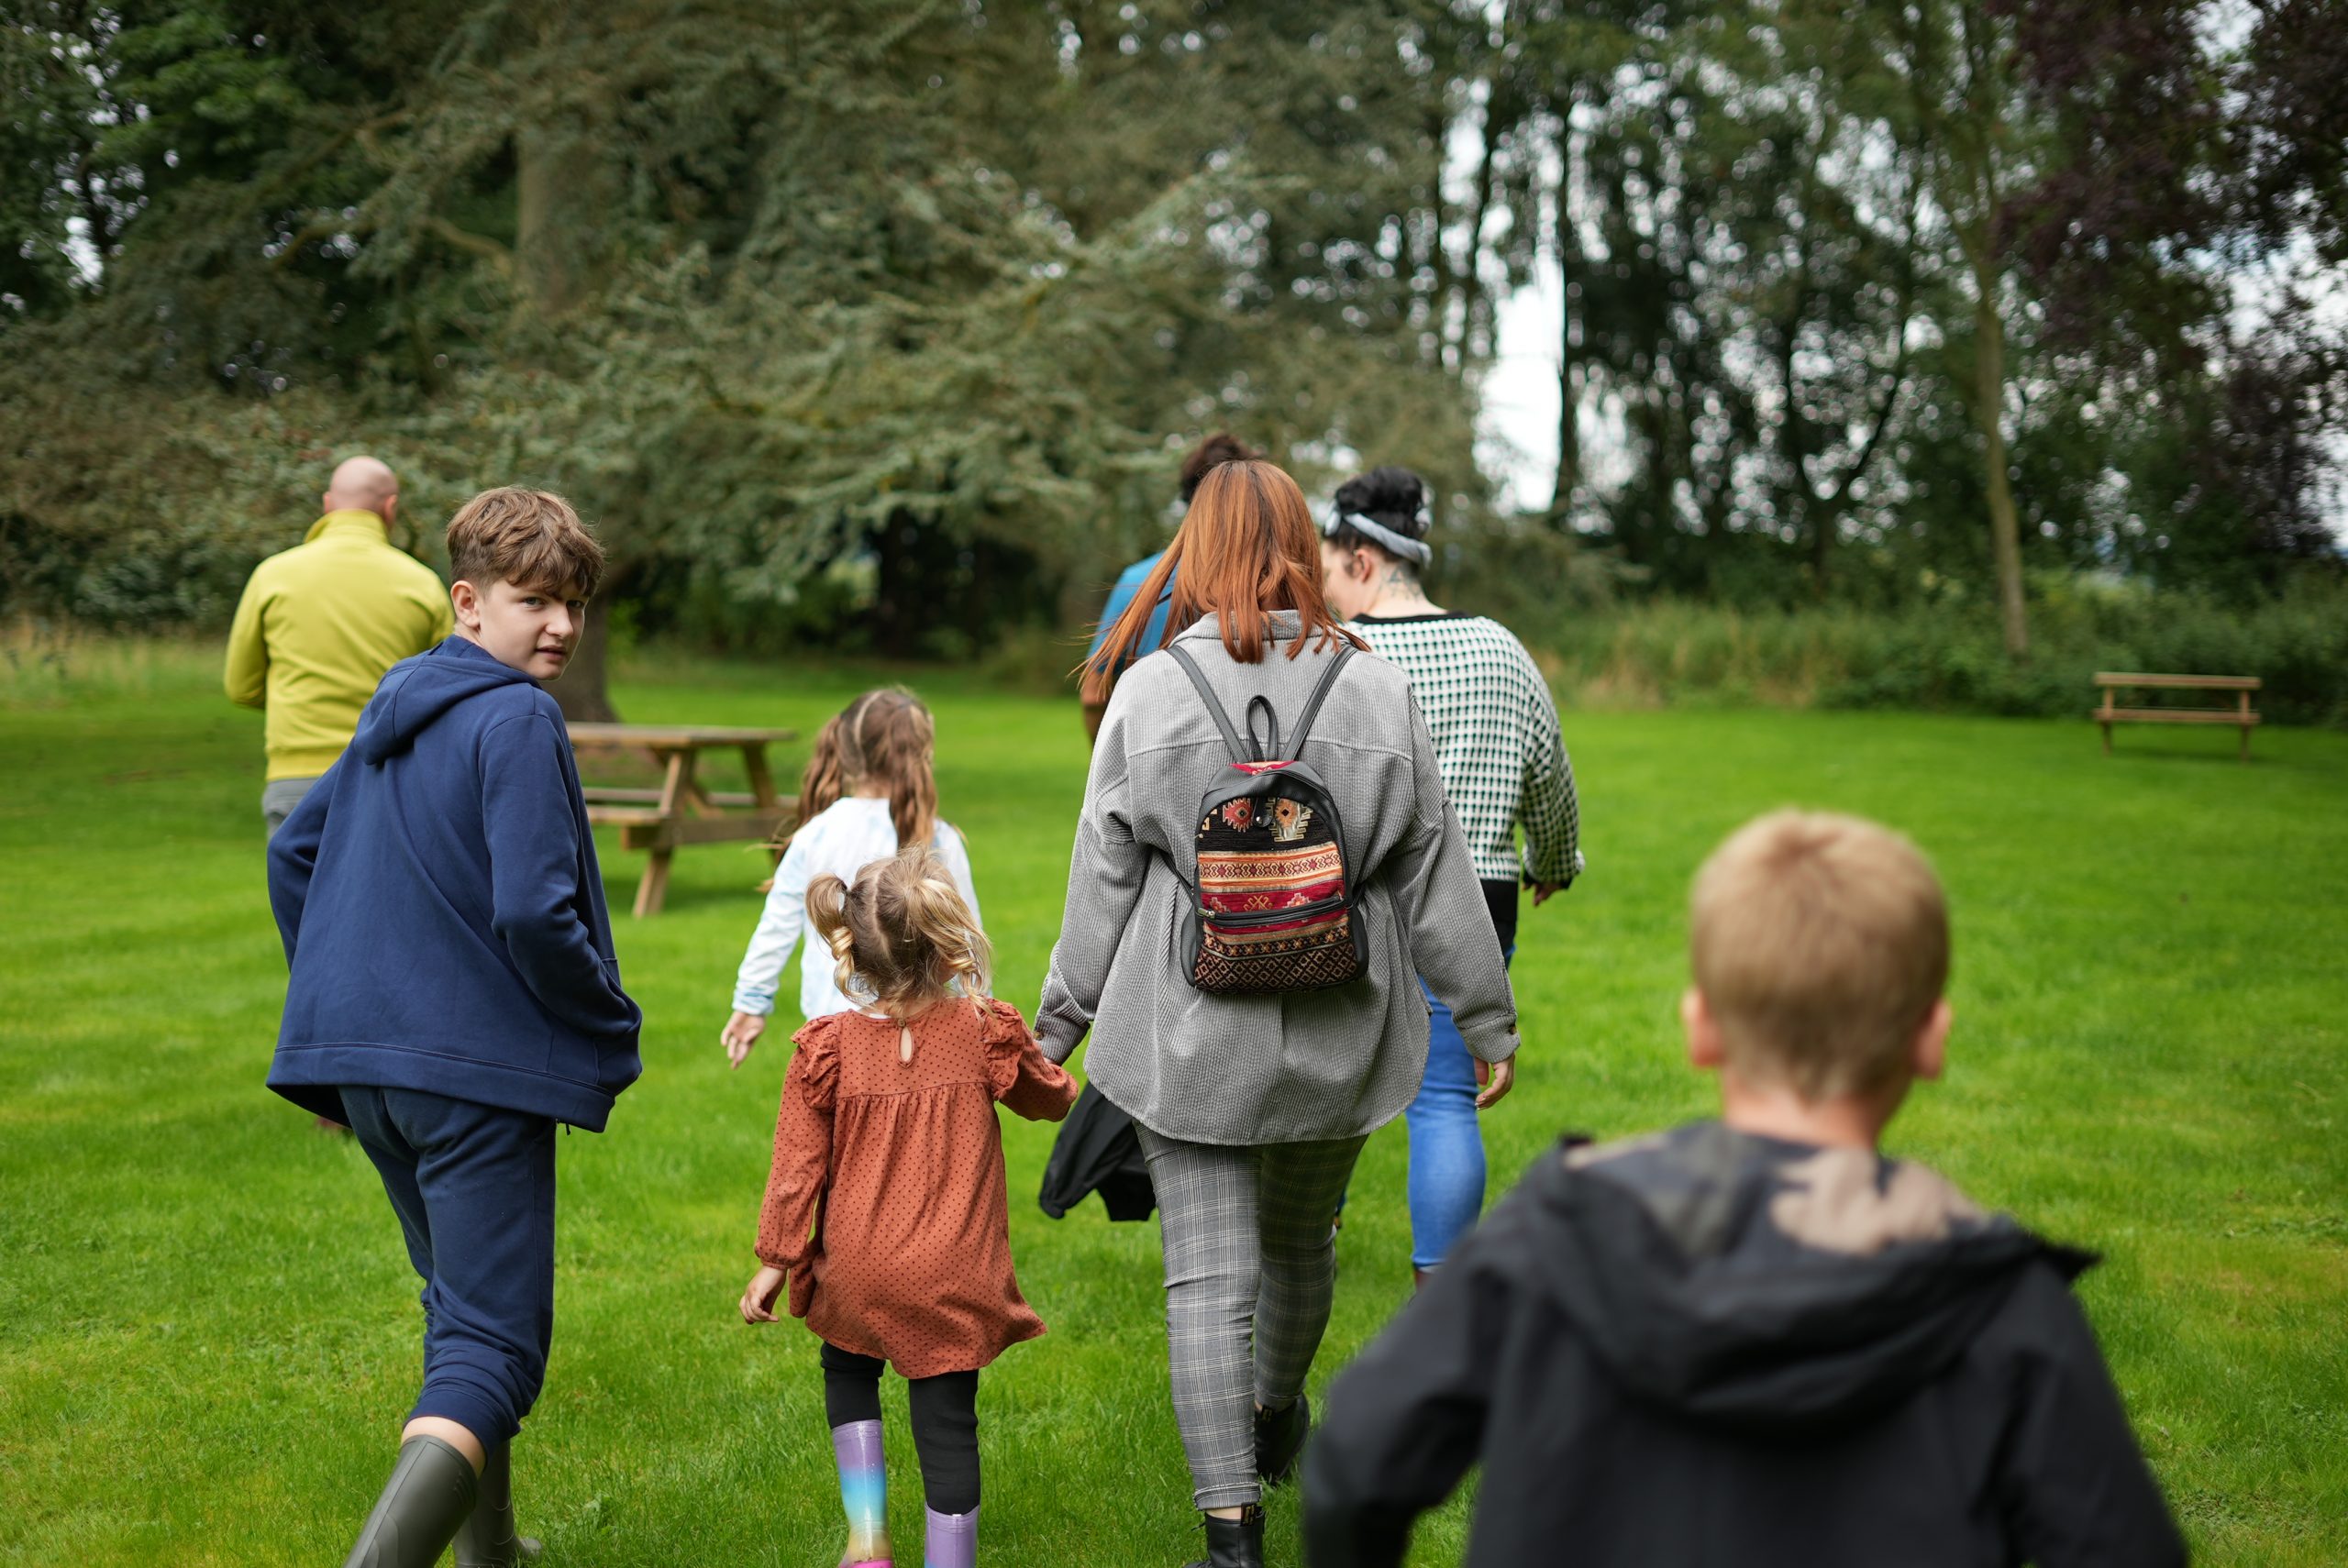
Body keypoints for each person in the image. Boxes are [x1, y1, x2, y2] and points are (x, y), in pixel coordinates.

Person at [1301, 811, 2187, 1568]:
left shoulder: (1549, 1240)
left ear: (1702, 1028)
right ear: (1931, 1037)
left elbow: (1356, 1465)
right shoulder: (2005, 1312)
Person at [1038, 459, 1520, 1568]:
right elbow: (1433, 873)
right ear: (1307, 544)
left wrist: (1056, 1026)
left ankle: (1230, 1538)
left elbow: (1100, 878)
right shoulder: (1374, 686)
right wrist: (1486, 1019)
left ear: (1195, 551)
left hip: (1188, 1037)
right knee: (1301, 1248)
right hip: (1344, 1031)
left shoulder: (1151, 692)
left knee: (1206, 1281)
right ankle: (1272, 1417)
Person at [265, 488, 644, 1568]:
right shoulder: (518, 715)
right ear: (467, 602)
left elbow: (295, 851)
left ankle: (489, 1554)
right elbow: (534, 910)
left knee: (461, 1317)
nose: (560, 627)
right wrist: (602, 1016)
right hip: (475, 1079)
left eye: (573, 604)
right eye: (535, 602)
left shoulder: (402, 700)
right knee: (492, 1347)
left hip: (373, 1073)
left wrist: (346, 1010)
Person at [741, 848, 1077, 1568]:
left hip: (856, 1267)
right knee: (948, 1418)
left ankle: (867, 1541)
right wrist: (1047, 1064)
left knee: (848, 1372)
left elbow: (796, 1169)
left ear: (853, 947)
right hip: (955, 1272)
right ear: (942, 938)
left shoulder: (824, 1049)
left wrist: (776, 1258)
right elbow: (1049, 1099)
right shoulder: (985, 1032)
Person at [1318, 466, 1582, 1285]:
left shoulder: (1340, 655)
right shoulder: (1501, 649)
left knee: (1328, 1098)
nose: (1324, 589)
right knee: (1442, 1101)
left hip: (1350, 904)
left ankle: (1305, 1250)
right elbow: (1551, 777)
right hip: (1476, 907)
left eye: (1329, 570)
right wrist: (1554, 858)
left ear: (1363, 558)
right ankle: (1442, 1291)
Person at [720, 687, 980, 1066]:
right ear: (920, 755)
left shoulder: (816, 835)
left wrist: (751, 1003)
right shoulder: (939, 839)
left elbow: (776, 925)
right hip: (926, 1033)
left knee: (845, 1127)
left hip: (833, 1032)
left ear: (846, 749)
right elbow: (964, 940)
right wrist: (976, 1016)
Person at [225, 455, 453, 835]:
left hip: (295, 777)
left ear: (328, 504)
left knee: (303, 895)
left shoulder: (272, 576)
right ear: (390, 507)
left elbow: (241, 688)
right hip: (386, 774)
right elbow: (444, 687)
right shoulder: (421, 583)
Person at [1080, 431, 1260, 742]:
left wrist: (1106, 764)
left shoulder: (1138, 580)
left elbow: (1094, 694)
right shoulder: (1267, 583)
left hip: (1152, 755)